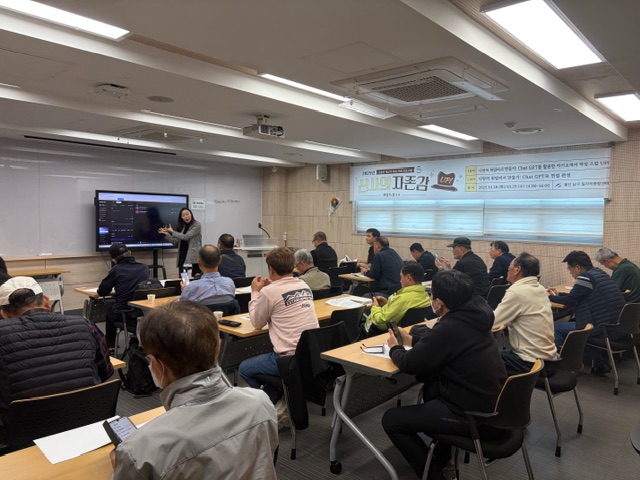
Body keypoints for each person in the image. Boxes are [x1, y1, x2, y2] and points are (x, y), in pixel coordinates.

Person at [110, 301, 278, 480]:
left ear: (157, 365)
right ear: (217, 348)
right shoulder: (261, 403)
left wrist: (123, 465)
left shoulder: (139, 451)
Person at [382, 270, 506, 479]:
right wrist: (412, 340)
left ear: (439, 303)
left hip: (474, 416)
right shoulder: (476, 315)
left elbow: (409, 363)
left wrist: (395, 348)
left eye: (431, 296)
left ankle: (435, 476)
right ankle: (442, 457)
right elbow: (446, 345)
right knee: (432, 388)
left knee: (391, 420)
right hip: (495, 407)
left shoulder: (450, 326)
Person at [0, 277, 113, 424]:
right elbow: (106, 371)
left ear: (3, 314)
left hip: (25, 430)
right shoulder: (86, 325)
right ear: (46, 301)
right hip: (88, 420)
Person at [238, 247, 319, 416]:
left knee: (244, 368)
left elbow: (257, 323)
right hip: (310, 355)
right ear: (293, 266)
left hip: (288, 359)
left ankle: (267, 404)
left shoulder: (269, 292)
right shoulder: (303, 285)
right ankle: (279, 397)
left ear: (271, 269)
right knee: (273, 377)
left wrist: (255, 292)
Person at [547, 250, 625, 375]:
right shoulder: (599, 273)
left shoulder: (584, 278)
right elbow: (576, 296)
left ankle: (557, 364)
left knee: (556, 328)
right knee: (575, 323)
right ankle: (599, 360)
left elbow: (570, 301)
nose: (570, 272)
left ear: (578, 268)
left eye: (570, 269)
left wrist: (549, 297)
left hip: (601, 328)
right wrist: (558, 294)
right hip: (614, 325)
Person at [493, 253, 556, 374]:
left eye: (509, 267)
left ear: (517, 269)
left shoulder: (517, 291)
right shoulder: (540, 288)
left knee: (480, 358)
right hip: (547, 359)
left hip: (529, 362)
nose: (507, 270)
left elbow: (493, 322)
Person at [98, 243, 149, 350]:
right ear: (130, 253)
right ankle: (134, 344)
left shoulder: (116, 270)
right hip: (142, 313)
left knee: (110, 312)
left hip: (124, 313)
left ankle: (110, 346)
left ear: (113, 260)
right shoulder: (144, 268)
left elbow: (102, 291)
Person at [362, 261, 431, 336]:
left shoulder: (403, 298)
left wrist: (375, 307)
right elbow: (400, 311)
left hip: (375, 333)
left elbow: (380, 322)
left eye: (401, 277)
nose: (400, 281)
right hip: (406, 332)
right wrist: (388, 303)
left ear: (408, 277)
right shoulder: (425, 296)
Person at [159, 207, 202, 276]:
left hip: (192, 259)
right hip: (182, 257)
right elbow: (175, 242)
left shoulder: (197, 225)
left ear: (191, 214)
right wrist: (167, 234)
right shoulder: (183, 227)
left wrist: (172, 231)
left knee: (192, 279)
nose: (186, 217)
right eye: (183, 215)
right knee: (183, 279)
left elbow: (186, 237)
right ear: (181, 218)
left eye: (187, 214)